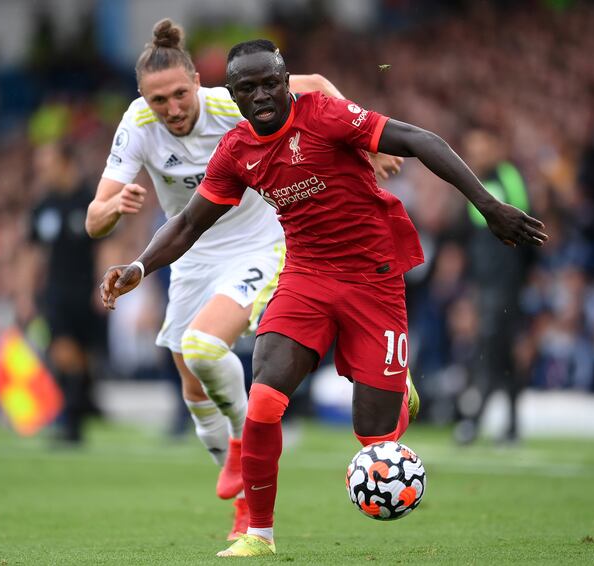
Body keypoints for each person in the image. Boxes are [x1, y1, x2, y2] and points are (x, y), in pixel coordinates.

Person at [99, 40, 548, 557]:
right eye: (248, 88)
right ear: (235, 96)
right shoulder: (237, 151)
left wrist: (489, 206)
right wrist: (138, 266)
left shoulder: (326, 115)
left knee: (374, 439)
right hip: (306, 276)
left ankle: (395, 392)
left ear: (286, 79)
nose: (262, 95)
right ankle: (258, 534)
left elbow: (420, 139)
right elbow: (187, 225)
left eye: (271, 82)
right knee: (264, 399)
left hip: (372, 278)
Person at [85, 20, 401, 541]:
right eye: (158, 100)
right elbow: (94, 219)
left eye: (180, 93)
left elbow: (317, 86)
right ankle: (237, 485)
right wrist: (115, 207)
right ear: (143, 99)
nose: (173, 108)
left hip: (260, 240)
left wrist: (364, 143)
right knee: (193, 382)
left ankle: (245, 444)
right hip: (190, 250)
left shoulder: (231, 101)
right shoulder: (137, 124)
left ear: (197, 82)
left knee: (205, 346)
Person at [453, 128, 535, 445]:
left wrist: (522, 277)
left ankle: (473, 422)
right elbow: (467, 236)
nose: (474, 154)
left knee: (490, 350)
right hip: (484, 282)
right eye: (470, 148)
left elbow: (526, 220)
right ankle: (512, 426)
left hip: (505, 281)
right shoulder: (474, 182)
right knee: (501, 354)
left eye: (480, 147)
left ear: (495, 147)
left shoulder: (508, 176)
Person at [29, 141, 103, 444]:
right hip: (55, 292)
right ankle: (71, 419)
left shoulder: (90, 200)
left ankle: (80, 413)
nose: (42, 172)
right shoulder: (43, 206)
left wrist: (104, 285)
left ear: (65, 163)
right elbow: (32, 251)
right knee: (62, 352)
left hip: (86, 289)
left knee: (83, 358)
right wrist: (25, 292)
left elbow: (106, 244)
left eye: (46, 165)